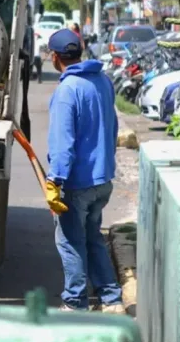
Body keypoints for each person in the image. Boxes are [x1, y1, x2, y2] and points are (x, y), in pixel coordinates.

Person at [44, 29, 125, 314]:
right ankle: (111, 297)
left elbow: (63, 143)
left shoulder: (68, 90)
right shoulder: (102, 81)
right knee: (92, 237)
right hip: (102, 179)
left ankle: (75, 302)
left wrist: (55, 180)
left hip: (77, 182)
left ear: (55, 58)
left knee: (69, 241)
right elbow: (113, 128)